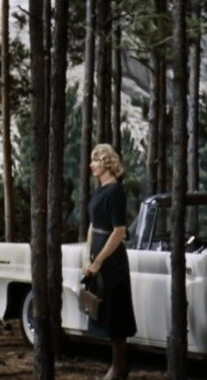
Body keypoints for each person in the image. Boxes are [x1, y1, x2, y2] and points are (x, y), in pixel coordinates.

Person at [83, 143, 137, 380]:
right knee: (103, 309)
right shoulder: (99, 190)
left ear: (107, 162)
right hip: (97, 254)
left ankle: (119, 367)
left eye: (95, 160)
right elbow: (93, 225)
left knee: (116, 312)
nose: (91, 164)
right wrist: (88, 257)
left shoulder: (115, 191)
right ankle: (118, 366)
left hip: (112, 259)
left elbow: (119, 231)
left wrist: (99, 261)